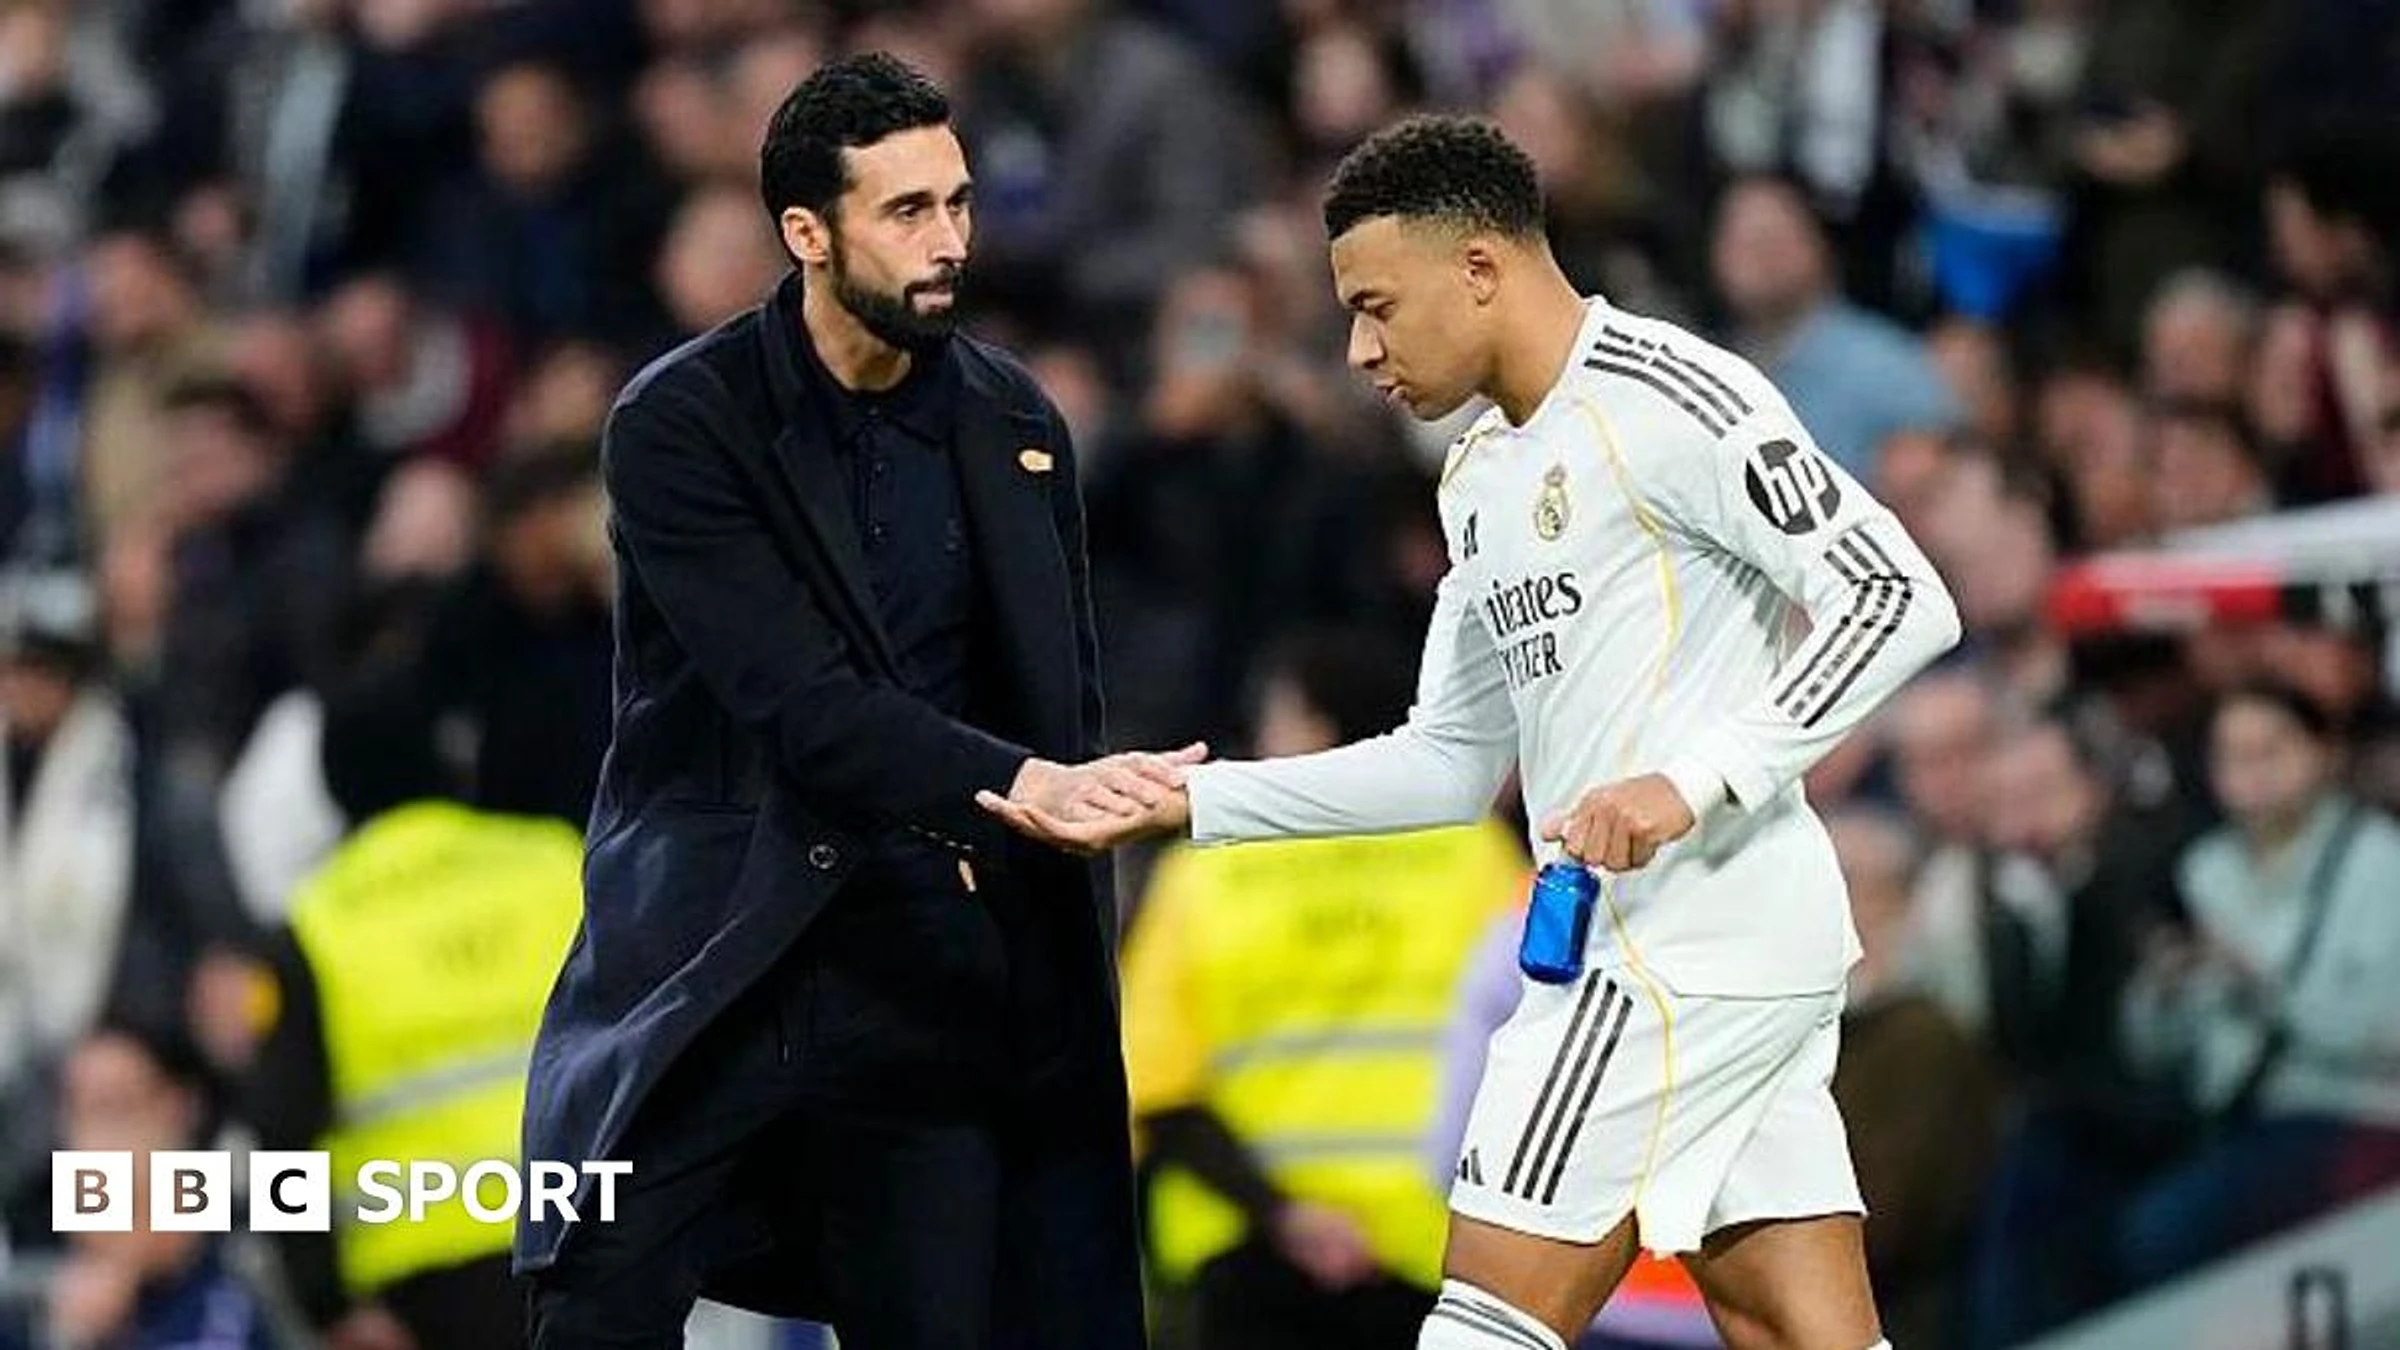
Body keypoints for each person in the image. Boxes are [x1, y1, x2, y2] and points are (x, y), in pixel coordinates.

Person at [983, 115, 1962, 1350]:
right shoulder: (1481, 476)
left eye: (1377, 308)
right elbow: (1447, 764)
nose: (1360, 350)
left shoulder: (1669, 398)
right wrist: (1193, 802)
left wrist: (1691, 783)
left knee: (1485, 1325)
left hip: (1670, 947)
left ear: (1481, 268)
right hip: (1697, 949)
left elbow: (1896, 596)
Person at [515, 53, 1192, 1350]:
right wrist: (1025, 786)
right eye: (908, 211)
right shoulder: (684, 422)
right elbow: (801, 704)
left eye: (958, 203)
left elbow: (1051, 697)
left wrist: (1057, 845)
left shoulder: (1013, 422)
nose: (950, 243)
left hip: (924, 970)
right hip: (721, 953)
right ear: (807, 233)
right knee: (593, 1302)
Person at [1119, 630, 1524, 1350]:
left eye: (1277, 718)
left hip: (1246, 1248)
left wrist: (1285, 1217)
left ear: (1319, 727)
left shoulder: (1203, 875)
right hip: (1441, 1251)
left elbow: (1155, 1085)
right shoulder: (1483, 859)